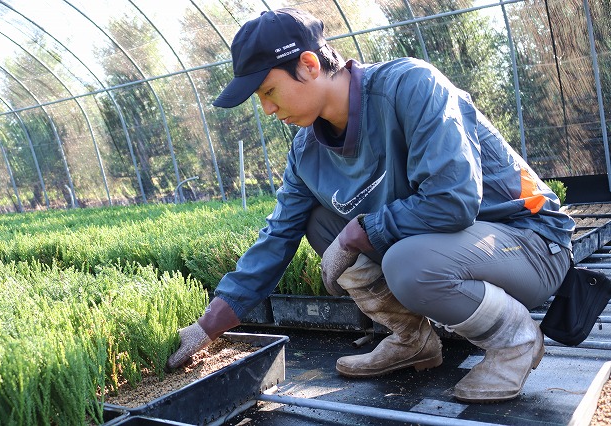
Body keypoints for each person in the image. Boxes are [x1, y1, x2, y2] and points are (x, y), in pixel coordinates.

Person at [167, 7, 575, 403]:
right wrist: (208, 326)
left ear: (309, 65)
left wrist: (359, 232)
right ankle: (412, 340)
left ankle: (515, 341)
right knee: (319, 220)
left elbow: (453, 200)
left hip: (531, 241)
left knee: (407, 263)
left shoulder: (411, 85)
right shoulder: (306, 151)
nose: (268, 109)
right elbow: (277, 234)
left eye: (269, 91)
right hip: (453, 248)